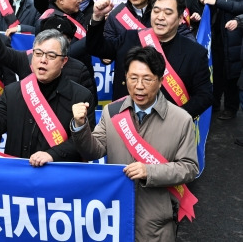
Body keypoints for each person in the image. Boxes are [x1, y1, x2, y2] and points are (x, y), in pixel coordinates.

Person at [71, 46, 199, 242]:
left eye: (147, 79)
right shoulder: (112, 112)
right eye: (133, 78)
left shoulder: (181, 120)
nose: (139, 86)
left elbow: (189, 168)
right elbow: (93, 150)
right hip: (115, 215)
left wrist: (150, 171)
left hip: (156, 221)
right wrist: (80, 127)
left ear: (160, 81)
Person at [0, 29, 95, 164]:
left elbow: (85, 143)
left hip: (57, 176)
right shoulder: (13, 91)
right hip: (17, 174)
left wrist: (52, 155)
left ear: (64, 61)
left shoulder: (81, 96)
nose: (43, 60)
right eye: (38, 53)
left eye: (51, 56)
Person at [87, 0, 213, 119]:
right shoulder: (129, 38)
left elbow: (204, 95)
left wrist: (177, 119)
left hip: (166, 127)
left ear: (181, 18)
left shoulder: (195, 52)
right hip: (125, 122)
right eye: (156, 11)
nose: (160, 17)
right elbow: (96, 48)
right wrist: (97, 17)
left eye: (168, 13)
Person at [200, 0, 243, 120]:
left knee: (231, 74)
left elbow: (239, 6)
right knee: (216, 73)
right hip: (217, 37)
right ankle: (215, 104)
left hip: (234, 39)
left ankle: (231, 108)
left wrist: (216, 1)